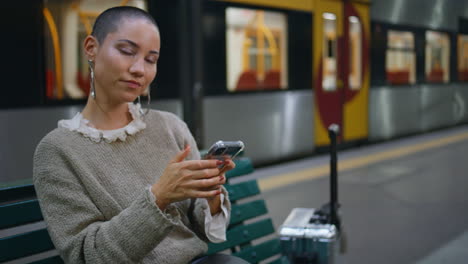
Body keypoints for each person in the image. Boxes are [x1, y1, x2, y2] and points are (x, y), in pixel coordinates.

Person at [33, 6, 240, 264]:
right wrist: (159, 197)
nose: (139, 69)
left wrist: (209, 195)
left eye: (151, 60)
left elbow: (202, 233)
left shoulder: (171, 127)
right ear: (91, 48)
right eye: (127, 52)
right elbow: (86, 256)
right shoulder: (57, 151)